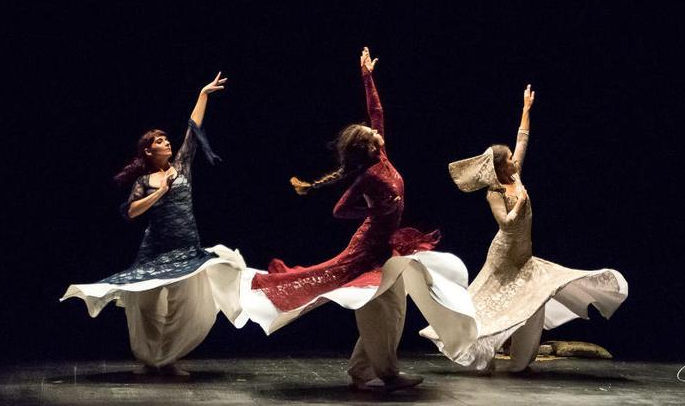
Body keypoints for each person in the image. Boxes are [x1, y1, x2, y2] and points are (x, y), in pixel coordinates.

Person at [240, 48, 477, 392]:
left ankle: (360, 369)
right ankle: (389, 374)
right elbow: (340, 210)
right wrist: (375, 213)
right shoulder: (367, 177)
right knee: (378, 310)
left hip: (387, 248)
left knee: (395, 310)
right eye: (370, 134)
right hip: (367, 249)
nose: (375, 130)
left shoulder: (381, 155)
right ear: (367, 148)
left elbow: (376, 111)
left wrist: (367, 76)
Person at [421, 84, 628, 373]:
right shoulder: (495, 191)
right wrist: (518, 205)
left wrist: (526, 109)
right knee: (490, 305)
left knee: (535, 300)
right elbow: (505, 224)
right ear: (499, 168)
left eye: (510, 158)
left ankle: (521, 361)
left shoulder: (515, 174)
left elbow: (522, 141)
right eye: (507, 160)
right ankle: (475, 351)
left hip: (524, 255)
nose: (513, 161)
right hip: (504, 258)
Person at [61, 72, 247, 376]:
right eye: (159, 140)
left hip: (186, 248)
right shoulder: (145, 181)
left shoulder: (182, 164)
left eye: (165, 138)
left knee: (183, 307)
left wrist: (203, 93)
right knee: (147, 306)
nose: (166, 141)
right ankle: (149, 358)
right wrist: (161, 191)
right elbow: (131, 212)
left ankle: (168, 358)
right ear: (149, 151)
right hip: (155, 251)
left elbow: (193, 129)